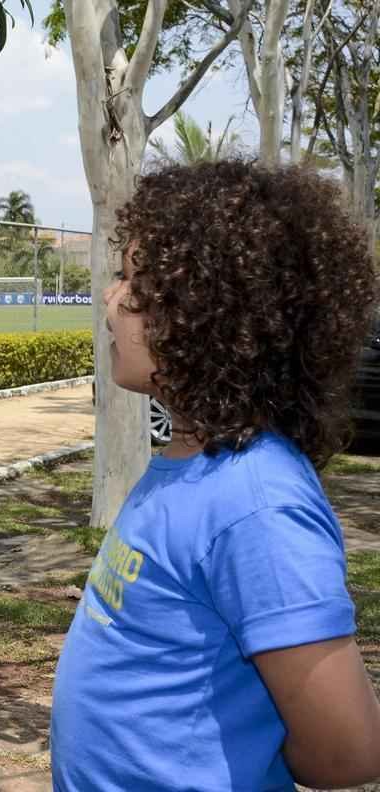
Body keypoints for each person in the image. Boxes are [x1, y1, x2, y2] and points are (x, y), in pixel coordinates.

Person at [50, 161, 380, 790]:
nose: (111, 300)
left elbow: (350, 751)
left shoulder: (256, 505)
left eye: (134, 285)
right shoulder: (190, 462)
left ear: (211, 317)